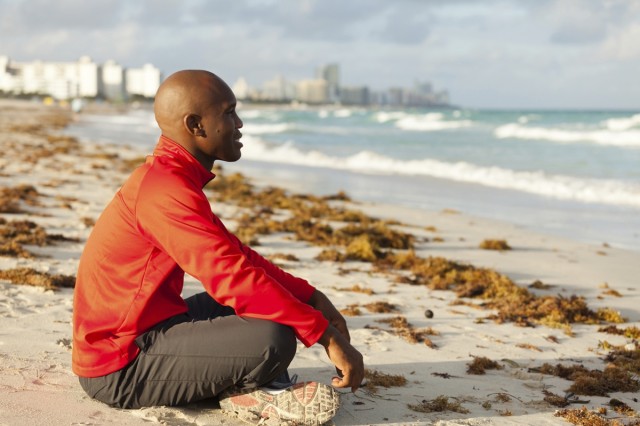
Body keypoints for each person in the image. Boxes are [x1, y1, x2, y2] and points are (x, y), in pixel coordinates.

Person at [72, 70, 364, 425]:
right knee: (274, 338)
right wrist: (325, 335)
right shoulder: (165, 190)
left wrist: (311, 297)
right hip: (120, 365)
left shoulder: (173, 178)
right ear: (195, 125)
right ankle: (255, 393)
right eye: (229, 113)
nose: (239, 124)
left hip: (152, 327)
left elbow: (240, 258)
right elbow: (231, 277)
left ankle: (242, 385)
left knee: (273, 307)